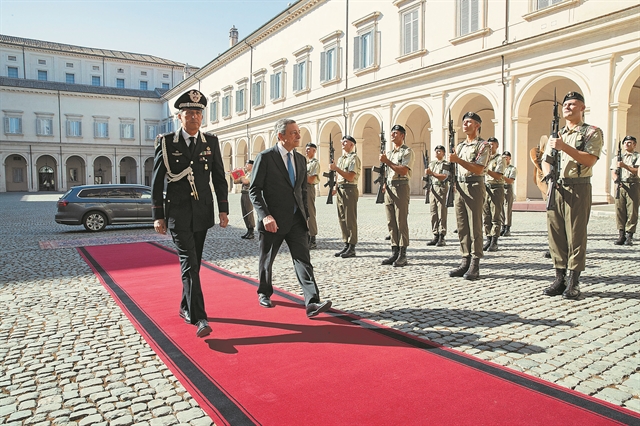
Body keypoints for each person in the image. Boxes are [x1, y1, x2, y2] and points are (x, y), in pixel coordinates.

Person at [151, 89, 229, 338]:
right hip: (178, 215)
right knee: (189, 265)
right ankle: (199, 317)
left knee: (194, 265)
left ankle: (185, 307)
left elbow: (219, 178)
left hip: (202, 214)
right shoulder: (166, 143)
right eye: (189, 113)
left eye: (198, 113)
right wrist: (158, 215)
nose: (194, 117)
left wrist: (224, 209)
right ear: (180, 117)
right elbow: (156, 182)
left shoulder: (211, 142)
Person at [249, 118, 332, 318]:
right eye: (293, 132)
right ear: (281, 136)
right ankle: (264, 292)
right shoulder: (266, 157)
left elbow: (302, 190)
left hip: (296, 220)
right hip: (273, 221)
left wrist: (306, 215)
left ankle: (312, 302)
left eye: (298, 132)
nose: (298, 135)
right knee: (267, 259)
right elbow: (254, 190)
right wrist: (265, 216)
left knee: (303, 260)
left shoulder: (301, 160)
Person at [542, 91, 603, 300]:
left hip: (578, 187)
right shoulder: (557, 134)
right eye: (566, 104)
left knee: (576, 235)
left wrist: (564, 147)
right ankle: (560, 278)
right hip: (556, 187)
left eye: (573, 104)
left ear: (582, 108)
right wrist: (547, 173)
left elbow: (589, 160)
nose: (568, 107)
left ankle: (574, 281)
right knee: (556, 233)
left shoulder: (591, 132)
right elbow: (547, 158)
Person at [448, 112, 491, 280]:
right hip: (460, 186)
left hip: (474, 184)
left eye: (469, 122)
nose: (465, 125)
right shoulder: (460, 146)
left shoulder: (483, 145)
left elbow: (479, 169)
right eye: (464, 122)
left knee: (475, 226)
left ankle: (475, 263)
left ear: (477, 125)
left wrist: (458, 160)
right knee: (462, 225)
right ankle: (465, 259)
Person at [380, 124, 415, 267]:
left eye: (395, 133)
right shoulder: (389, 153)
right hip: (389, 187)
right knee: (391, 222)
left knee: (401, 221)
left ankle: (403, 253)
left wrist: (387, 161)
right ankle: (394, 251)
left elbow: (403, 171)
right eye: (392, 133)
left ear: (402, 135)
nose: (392, 135)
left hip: (401, 186)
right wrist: (384, 183)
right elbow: (388, 171)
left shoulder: (407, 152)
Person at [330, 135, 361, 258]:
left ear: (352, 145)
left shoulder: (354, 158)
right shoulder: (341, 158)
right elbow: (339, 176)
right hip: (341, 190)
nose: (342, 144)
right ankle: (346, 243)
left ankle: (352, 246)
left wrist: (336, 168)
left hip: (350, 190)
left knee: (350, 219)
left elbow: (350, 176)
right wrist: (335, 186)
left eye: (345, 142)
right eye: (342, 142)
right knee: (342, 218)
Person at [611, 135, 639, 246]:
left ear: (634, 145)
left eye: (630, 143)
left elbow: (636, 171)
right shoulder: (617, 158)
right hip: (620, 185)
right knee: (619, 210)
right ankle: (621, 234)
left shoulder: (637, 157)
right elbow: (613, 171)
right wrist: (616, 180)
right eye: (625, 143)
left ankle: (629, 235)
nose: (627, 145)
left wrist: (624, 166)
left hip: (633, 184)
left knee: (632, 211)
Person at [482, 137, 505, 252]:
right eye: (489, 145)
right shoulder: (485, 158)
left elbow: (498, 175)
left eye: (492, 145)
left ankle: (495, 240)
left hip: (496, 188)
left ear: (497, 146)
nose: (490, 147)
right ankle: (488, 238)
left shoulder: (500, 159)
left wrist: (486, 170)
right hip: (485, 188)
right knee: (486, 216)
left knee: (495, 215)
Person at [424, 145, 450, 247]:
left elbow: (444, 176)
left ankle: (442, 235)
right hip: (433, 188)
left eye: (439, 151)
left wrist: (432, 173)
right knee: (433, 213)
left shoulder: (446, 164)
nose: (437, 153)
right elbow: (429, 177)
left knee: (442, 212)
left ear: (443, 153)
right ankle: (435, 234)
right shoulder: (432, 164)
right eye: (436, 151)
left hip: (441, 188)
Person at [305, 143, 320, 249]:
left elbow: (310, 179)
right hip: (301, 188)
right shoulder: (305, 163)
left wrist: (300, 173)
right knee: (303, 213)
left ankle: (313, 238)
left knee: (310, 212)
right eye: (306, 149)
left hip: (309, 188)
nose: (306, 151)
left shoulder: (315, 163)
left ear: (314, 151)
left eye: (309, 149)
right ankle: (305, 236)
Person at [501, 151, 517, 237]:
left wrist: (500, 176)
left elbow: (510, 180)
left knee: (507, 208)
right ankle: (502, 226)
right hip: (500, 188)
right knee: (500, 208)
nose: (505, 159)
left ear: (510, 158)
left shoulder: (512, 169)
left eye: (506, 158)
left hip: (507, 188)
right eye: (503, 158)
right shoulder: (500, 167)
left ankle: (507, 227)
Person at [239, 160, 255, 239]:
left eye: (247, 164)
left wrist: (240, 174)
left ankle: (251, 231)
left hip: (248, 195)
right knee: (244, 212)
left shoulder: (252, 174)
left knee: (248, 213)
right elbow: (237, 181)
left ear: (251, 166)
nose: (245, 166)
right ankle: (248, 230)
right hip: (244, 194)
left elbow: (245, 181)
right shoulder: (246, 174)